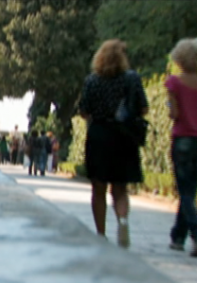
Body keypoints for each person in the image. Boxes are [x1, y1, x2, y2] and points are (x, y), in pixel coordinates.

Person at [78, 39, 147, 248]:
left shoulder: (92, 80)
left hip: (99, 135)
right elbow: (143, 108)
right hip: (124, 136)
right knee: (120, 188)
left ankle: (101, 233)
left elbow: (83, 110)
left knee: (98, 188)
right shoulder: (132, 79)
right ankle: (123, 221)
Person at [166, 38, 197, 255]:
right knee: (190, 191)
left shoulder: (174, 83)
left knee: (184, 191)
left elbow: (173, 114)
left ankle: (195, 232)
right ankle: (178, 236)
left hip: (183, 139)